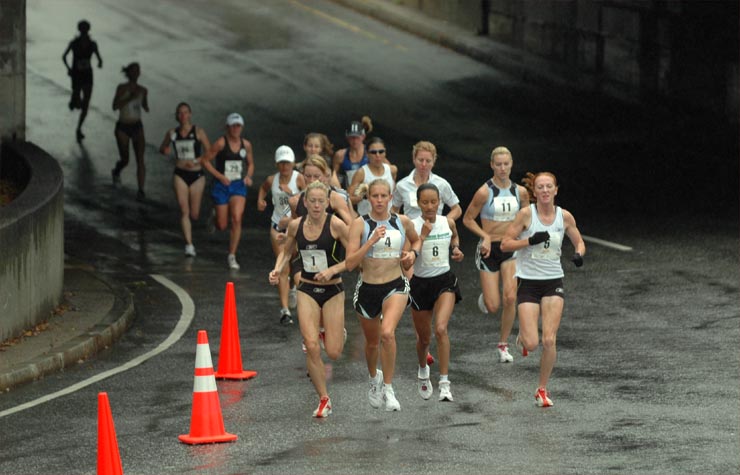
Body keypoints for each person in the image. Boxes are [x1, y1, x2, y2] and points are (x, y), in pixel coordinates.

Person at [500, 171, 585, 407]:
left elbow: (578, 240)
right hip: (528, 283)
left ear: (556, 190)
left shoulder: (564, 216)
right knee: (532, 344)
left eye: (549, 187)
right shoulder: (526, 215)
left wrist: (579, 254)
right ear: (534, 192)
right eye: (541, 187)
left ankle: (542, 389)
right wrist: (529, 241)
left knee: (549, 340)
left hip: (553, 281)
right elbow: (506, 244)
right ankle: (522, 340)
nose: (545, 191)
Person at [269, 181, 350, 418]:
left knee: (333, 353)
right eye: (312, 201)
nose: (316, 205)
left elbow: (354, 257)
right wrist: (277, 269)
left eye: (320, 201)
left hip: (333, 289)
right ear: (305, 203)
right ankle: (324, 398)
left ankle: (334, 334)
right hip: (306, 288)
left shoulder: (336, 225)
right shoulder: (296, 225)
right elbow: (287, 251)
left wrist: (334, 270)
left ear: (327, 203)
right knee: (311, 345)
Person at [345, 179, 421, 412]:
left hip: (395, 285)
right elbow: (349, 264)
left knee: (387, 333)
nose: (379, 201)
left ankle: (389, 388)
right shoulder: (359, 224)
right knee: (372, 343)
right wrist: (370, 242)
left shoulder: (401, 221)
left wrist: (412, 255)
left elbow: (416, 239)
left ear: (390, 198)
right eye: (374, 196)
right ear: (368, 199)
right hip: (367, 288)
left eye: (383, 196)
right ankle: (373, 379)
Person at [462, 146, 529, 363]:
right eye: (498, 164)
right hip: (489, 250)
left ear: (511, 165)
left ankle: (503, 345)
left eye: (506, 164)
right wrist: (485, 236)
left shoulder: (521, 192)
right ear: (492, 165)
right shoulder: (484, 192)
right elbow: (467, 219)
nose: (502, 168)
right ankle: (486, 298)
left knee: (511, 297)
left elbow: (528, 219)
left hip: (510, 249)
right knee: (494, 306)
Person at [410, 183, 464, 402]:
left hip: (444, 280)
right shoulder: (411, 225)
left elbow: (454, 237)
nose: (430, 206)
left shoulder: (447, 221)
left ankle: (444, 383)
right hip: (420, 284)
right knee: (424, 339)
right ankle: (423, 370)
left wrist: (456, 249)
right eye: (425, 202)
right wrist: (421, 237)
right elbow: (408, 257)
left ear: (440, 202)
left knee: (441, 329)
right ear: (418, 203)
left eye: (434, 202)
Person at [201, 113, 255, 270]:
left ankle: (232, 255)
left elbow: (250, 164)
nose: (236, 129)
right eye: (233, 126)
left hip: (238, 185)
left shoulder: (246, 145)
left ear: (242, 127)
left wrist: (248, 176)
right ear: (227, 127)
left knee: (237, 218)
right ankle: (215, 217)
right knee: (222, 225)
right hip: (222, 186)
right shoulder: (220, 143)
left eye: (238, 126)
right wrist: (219, 176)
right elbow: (205, 160)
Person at [258, 145, 305, 323]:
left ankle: (293, 287)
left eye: (287, 163)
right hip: (277, 226)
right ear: (277, 164)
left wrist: (292, 193)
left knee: (295, 262)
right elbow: (263, 188)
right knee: (283, 267)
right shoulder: (272, 180)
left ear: (293, 163)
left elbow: (309, 198)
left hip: (295, 226)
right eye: (281, 163)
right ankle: (285, 310)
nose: (285, 167)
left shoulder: (299, 179)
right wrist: (260, 200)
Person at [158, 102, 212, 257]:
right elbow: (163, 148)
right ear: (177, 116)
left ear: (190, 114)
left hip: (196, 175)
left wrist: (197, 161)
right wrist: (165, 150)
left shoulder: (198, 132)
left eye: (185, 112)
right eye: (180, 113)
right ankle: (189, 245)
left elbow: (210, 152)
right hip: (180, 174)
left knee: (194, 214)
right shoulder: (172, 133)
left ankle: (211, 217)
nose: (183, 116)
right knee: (184, 210)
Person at [391, 140, 462, 221]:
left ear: (433, 162)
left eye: (428, 161)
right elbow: (394, 209)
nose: (424, 164)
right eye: (420, 160)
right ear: (414, 159)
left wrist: (444, 224)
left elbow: (457, 209)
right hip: (411, 231)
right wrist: (401, 225)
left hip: (435, 231)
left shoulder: (442, 184)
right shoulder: (402, 185)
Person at [111, 63, 149, 201]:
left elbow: (144, 105)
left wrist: (145, 105)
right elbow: (114, 106)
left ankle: (141, 190)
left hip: (137, 126)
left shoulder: (143, 90)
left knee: (140, 159)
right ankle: (116, 170)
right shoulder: (121, 88)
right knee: (125, 159)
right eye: (134, 71)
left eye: (138, 71)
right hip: (123, 126)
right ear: (129, 73)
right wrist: (130, 97)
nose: (136, 73)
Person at [62, 20, 102, 142]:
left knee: (85, 102)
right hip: (80, 74)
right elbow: (100, 59)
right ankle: (75, 102)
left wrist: (69, 68)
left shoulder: (79, 43)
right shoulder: (86, 43)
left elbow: (64, 57)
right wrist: (69, 69)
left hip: (83, 74)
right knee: (82, 102)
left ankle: (79, 126)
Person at [348, 137, 397, 216]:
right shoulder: (361, 173)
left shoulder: (392, 170)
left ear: (385, 153)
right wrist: (362, 196)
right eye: (373, 152)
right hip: (367, 218)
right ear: (367, 154)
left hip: (388, 218)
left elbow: (394, 192)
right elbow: (348, 198)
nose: (377, 155)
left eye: (381, 152)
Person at [332, 116, 372, 189]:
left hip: (371, 194)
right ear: (347, 137)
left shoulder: (371, 152)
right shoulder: (340, 155)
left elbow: (386, 170)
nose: (354, 140)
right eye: (352, 137)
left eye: (357, 137)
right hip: (350, 194)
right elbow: (333, 176)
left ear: (363, 137)